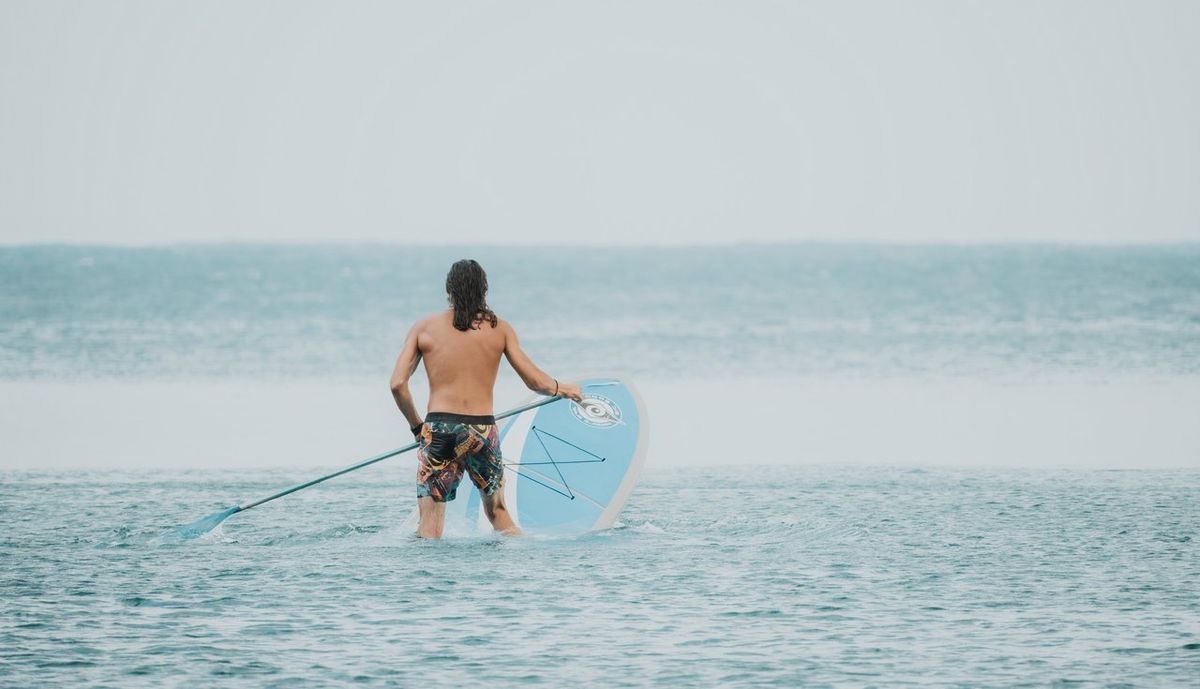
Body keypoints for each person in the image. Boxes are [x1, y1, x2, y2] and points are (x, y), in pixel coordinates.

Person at [389, 259, 583, 538]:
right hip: (483, 430)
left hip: (441, 430)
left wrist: (417, 427)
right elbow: (535, 381)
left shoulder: (424, 328)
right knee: (498, 513)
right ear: (484, 290)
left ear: (448, 289)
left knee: (430, 527)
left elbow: (397, 384)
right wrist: (565, 388)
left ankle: (429, 580)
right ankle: (520, 568)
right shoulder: (500, 329)